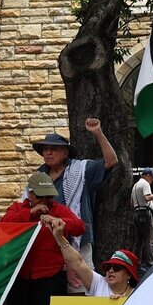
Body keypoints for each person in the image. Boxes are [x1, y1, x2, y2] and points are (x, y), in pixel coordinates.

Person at [0, 173, 84, 305]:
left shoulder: (59, 210)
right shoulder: (17, 209)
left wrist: (57, 220)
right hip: (20, 274)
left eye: (49, 196)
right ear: (30, 194)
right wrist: (31, 213)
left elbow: (79, 227)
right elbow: (4, 226)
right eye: (41, 196)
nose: (46, 200)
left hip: (50, 275)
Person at [32, 117, 118, 286]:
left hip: (78, 239)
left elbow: (111, 161)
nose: (48, 153)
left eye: (53, 149)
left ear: (65, 153)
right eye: (45, 149)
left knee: (81, 286)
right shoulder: (38, 176)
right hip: (47, 242)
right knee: (52, 287)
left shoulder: (81, 170)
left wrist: (97, 133)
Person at [49, 217, 140, 300]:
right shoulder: (98, 283)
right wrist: (59, 238)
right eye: (108, 267)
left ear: (129, 274)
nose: (111, 270)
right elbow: (78, 263)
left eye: (117, 268)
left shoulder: (137, 295)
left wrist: (122, 303)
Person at [131, 167, 153, 266]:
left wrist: (151, 201)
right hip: (145, 214)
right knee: (149, 240)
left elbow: (132, 203)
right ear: (147, 175)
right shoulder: (145, 183)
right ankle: (150, 263)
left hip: (136, 214)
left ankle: (136, 263)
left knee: (138, 241)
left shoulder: (135, 186)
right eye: (152, 177)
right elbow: (147, 197)